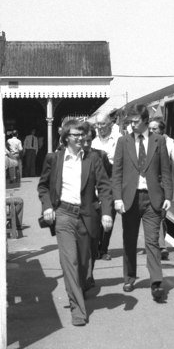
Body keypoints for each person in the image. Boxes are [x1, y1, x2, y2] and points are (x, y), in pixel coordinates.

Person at [38, 119, 113, 326]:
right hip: (63, 214)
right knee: (69, 261)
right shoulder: (54, 159)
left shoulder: (93, 159)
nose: (80, 138)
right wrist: (47, 207)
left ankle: (82, 285)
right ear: (65, 138)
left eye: (82, 135)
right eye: (75, 135)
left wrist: (107, 213)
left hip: (87, 216)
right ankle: (78, 310)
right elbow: (43, 186)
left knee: (83, 263)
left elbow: (105, 188)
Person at [112, 104, 173, 301]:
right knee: (129, 241)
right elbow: (117, 173)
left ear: (146, 121)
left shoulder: (159, 141)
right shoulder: (123, 142)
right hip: (130, 198)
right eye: (129, 122)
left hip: (152, 198)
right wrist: (117, 198)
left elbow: (165, 171)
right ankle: (129, 277)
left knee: (152, 241)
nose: (132, 125)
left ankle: (156, 282)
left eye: (135, 122)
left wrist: (168, 197)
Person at [81, 121, 112, 288]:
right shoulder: (67, 156)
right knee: (80, 248)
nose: (86, 144)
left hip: (94, 208)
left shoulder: (100, 156)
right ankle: (83, 279)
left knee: (92, 247)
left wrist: (105, 204)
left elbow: (107, 180)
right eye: (83, 140)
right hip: (73, 211)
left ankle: (89, 273)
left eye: (89, 141)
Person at [148, 117, 174, 261]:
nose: (151, 131)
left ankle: (161, 246)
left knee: (160, 215)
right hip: (148, 183)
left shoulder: (169, 142)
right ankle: (158, 245)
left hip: (162, 184)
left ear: (162, 130)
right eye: (149, 128)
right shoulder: (143, 141)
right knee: (155, 215)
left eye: (154, 129)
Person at [91, 111, 121, 261]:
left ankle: (104, 249)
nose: (99, 127)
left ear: (110, 124)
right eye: (97, 124)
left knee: (110, 216)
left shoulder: (118, 140)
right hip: (96, 182)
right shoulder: (92, 142)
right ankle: (95, 247)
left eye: (102, 124)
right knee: (96, 217)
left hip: (113, 181)